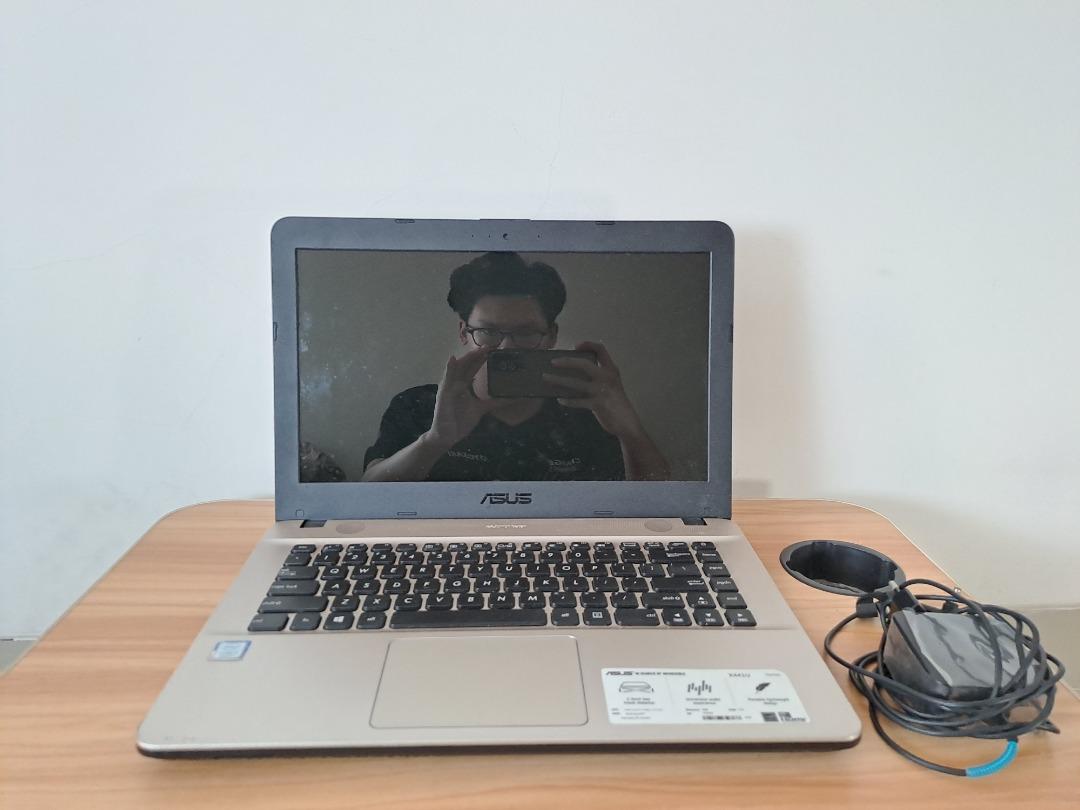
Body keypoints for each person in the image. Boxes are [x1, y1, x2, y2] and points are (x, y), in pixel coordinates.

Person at [361, 252, 670, 482]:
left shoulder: (587, 412)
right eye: (488, 331)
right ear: (463, 332)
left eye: (526, 332)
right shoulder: (417, 405)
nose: (507, 347)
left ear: (551, 335)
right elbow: (368, 495)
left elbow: (654, 509)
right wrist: (435, 440)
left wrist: (629, 430)